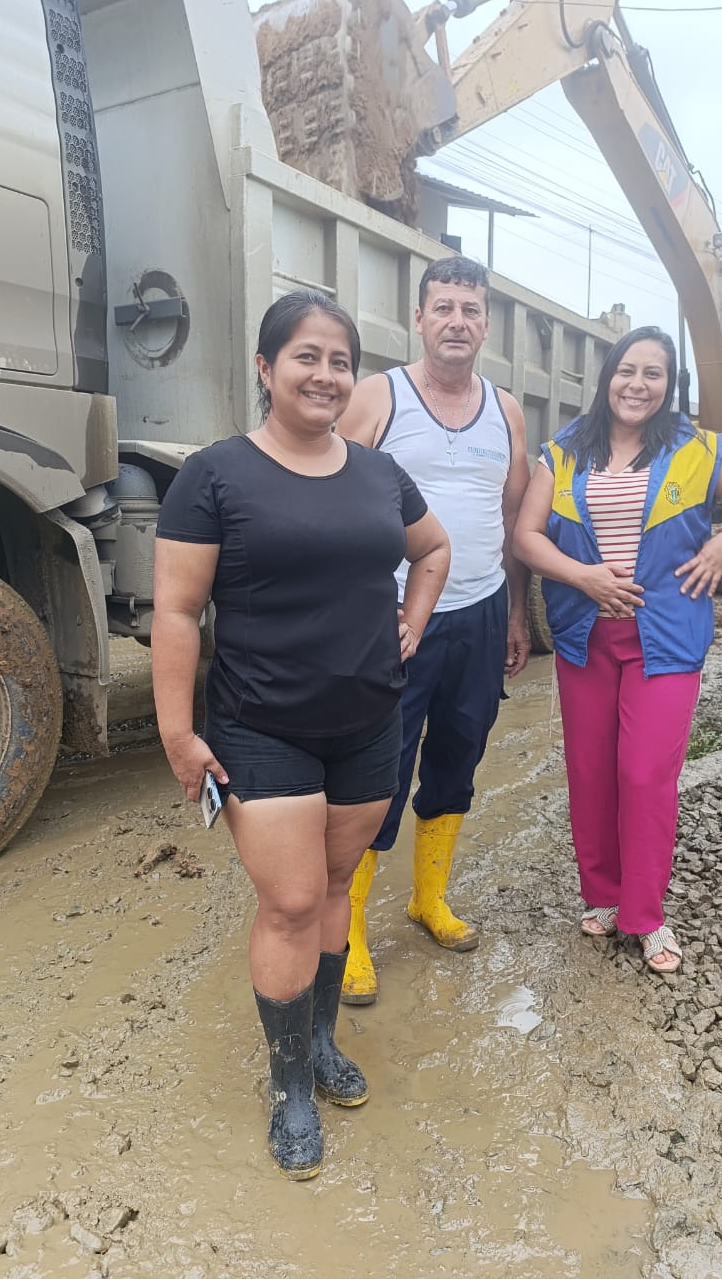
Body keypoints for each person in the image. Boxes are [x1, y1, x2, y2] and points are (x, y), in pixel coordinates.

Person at [151, 290, 449, 1179]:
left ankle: (319, 1043)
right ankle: (288, 1087)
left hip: (368, 723)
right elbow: (176, 612)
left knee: (332, 889)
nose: (325, 375)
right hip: (261, 726)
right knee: (288, 901)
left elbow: (433, 550)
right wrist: (177, 734)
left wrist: (413, 619)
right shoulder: (215, 475)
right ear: (266, 367)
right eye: (305, 357)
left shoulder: (378, 473)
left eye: (339, 360)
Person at [513, 326, 722, 974]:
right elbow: (526, 536)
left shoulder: (696, 448)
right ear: (607, 376)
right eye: (626, 370)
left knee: (644, 774)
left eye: (653, 374)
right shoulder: (563, 451)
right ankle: (601, 894)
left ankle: (644, 914)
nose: (636, 384)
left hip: (665, 638)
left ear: (669, 386)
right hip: (584, 637)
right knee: (591, 772)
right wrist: (583, 577)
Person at [334, 256, 531, 1004]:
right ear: (418, 319)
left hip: (481, 613)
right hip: (394, 621)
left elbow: (511, 518)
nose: (457, 321)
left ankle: (428, 900)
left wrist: (515, 612)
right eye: (443, 307)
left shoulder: (505, 411)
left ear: (486, 325)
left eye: (470, 310)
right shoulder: (378, 397)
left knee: (457, 758)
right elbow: (332, 499)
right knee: (376, 773)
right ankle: (347, 930)